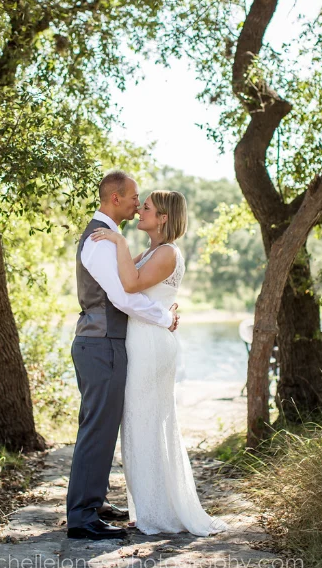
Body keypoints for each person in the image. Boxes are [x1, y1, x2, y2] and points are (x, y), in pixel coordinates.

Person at [91, 188, 228, 536]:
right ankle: (149, 506)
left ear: (163, 218)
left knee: (148, 421)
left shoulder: (167, 252)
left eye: (147, 208)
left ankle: (160, 512)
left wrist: (118, 243)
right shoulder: (152, 250)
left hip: (151, 344)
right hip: (142, 339)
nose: (140, 211)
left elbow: (131, 283)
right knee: (138, 422)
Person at [66, 170, 179, 541]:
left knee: (102, 425)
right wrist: (165, 317)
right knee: (97, 428)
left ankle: (93, 503)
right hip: (102, 344)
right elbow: (123, 297)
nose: (137, 203)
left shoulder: (107, 238)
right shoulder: (100, 241)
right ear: (116, 199)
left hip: (105, 343)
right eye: (134, 198)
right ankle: (82, 517)